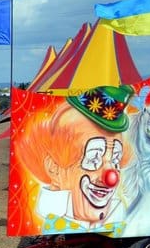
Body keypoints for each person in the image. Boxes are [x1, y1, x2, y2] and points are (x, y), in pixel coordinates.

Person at [13, 85, 134, 237]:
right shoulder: (47, 217)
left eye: (115, 160)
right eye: (93, 158)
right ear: (54, 168)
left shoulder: (121, 214)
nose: (111, 178)